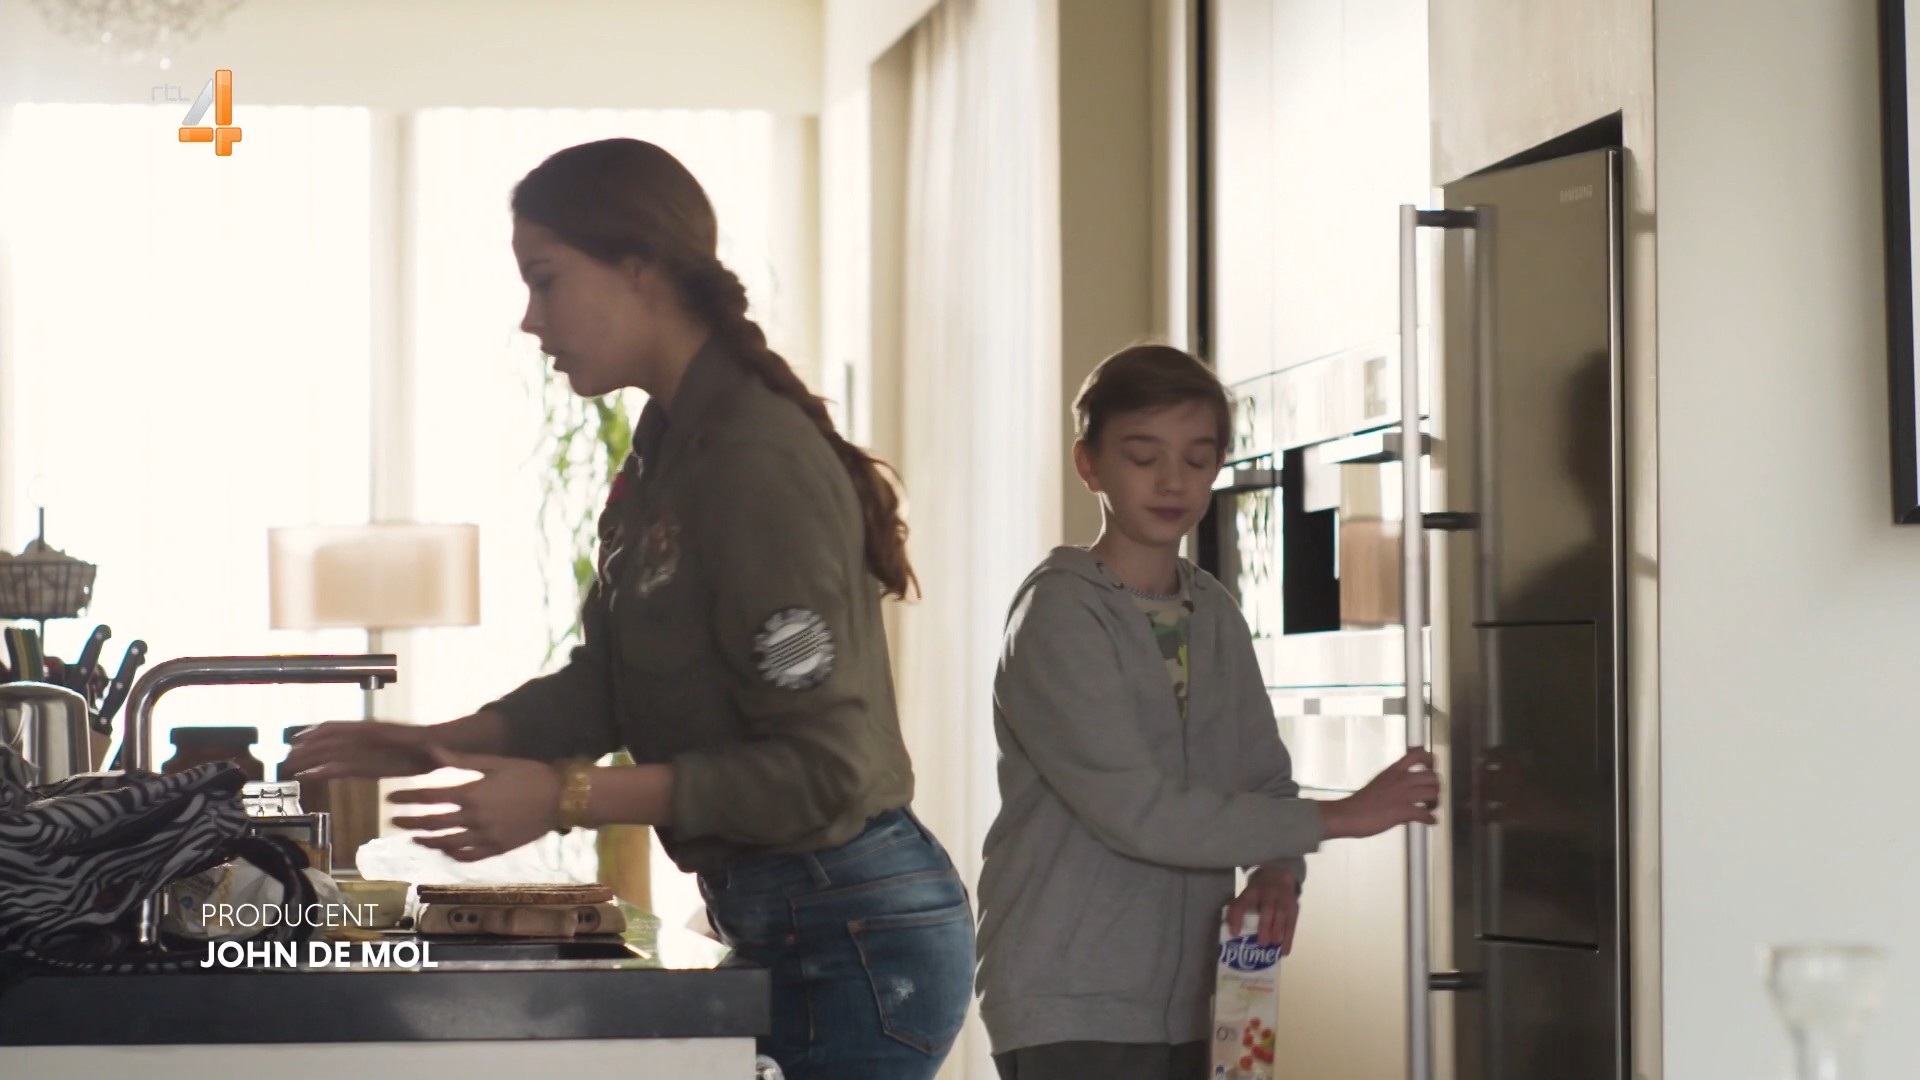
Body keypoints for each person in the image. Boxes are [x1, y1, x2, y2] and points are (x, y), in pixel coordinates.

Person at [283, 137, 974, 1080]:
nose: (531, 319)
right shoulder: (668, 447)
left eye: (546, 280)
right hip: (799, 916)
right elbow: (609, 685)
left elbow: (821, 771)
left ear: (639, 267)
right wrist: (434, 743)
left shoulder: (752, 459)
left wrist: (566, 797)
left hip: (853, 937)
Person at [974, 344, 1441, 1080]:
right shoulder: (1059, 615)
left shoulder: (1214, 611)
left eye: (1196, 459)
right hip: (1070, 1003)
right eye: (1143, 456)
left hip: (1198, 997)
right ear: (1089, 464)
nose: (1172, 480)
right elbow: (1140, 812)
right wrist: (1341, 816)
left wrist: (1278, 873)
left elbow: (1264, 782)